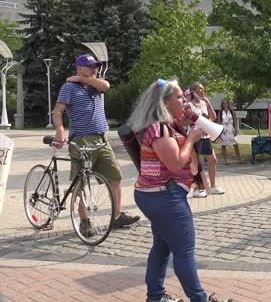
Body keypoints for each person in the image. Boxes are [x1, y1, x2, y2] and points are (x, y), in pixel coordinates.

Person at [128, 79, 229, 302]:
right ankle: (199, 299)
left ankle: (155, 296)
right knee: (184, 252)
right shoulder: (160, 128)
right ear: (164, 101)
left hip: (158, 195)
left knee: (162, 248)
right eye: (179, 97)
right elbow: (175, 163)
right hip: (165, 197)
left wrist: (187, 126)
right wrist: (191, 139)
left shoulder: (167, 124)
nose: (184, 100)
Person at [53, 54, 139, 234]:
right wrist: (60, 130)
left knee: (115, 178)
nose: (95, 69)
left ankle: (117, 216)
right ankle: (84, 220)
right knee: (81, 182)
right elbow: (58, 111)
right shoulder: (68, 87)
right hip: (81, 139)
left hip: (101, 139)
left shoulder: (94, 86)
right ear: (79, 68)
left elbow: (106, 85)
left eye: (96, 67)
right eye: (91, 66)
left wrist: (80, 78)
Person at [188, 82, 224, 197]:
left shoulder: (203, 103)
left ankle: (212, 187)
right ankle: (197, 189)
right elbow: (182, 121)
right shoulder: (189, 105)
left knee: (212, 160)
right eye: (200, 88)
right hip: (195, 137)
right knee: (196, 163)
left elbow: (213, 117)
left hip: (205, 136)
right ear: (193, 91)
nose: (202, 91)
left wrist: (208, 103)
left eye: (203, 89)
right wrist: (195, 122)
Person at [217, 101, 244, 165]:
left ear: (228, 104)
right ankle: (225, 160)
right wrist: (219, 132)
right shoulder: (220, 112)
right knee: (223, 145)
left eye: (226, 103)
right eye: (224, 103)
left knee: (235, 144)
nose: (225, 105)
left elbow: (235, 120)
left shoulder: (232, 111)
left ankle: (239, 159)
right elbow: (219, 122)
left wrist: (236, 129)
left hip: (231, 128)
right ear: (222, 104)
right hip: (224, 129)